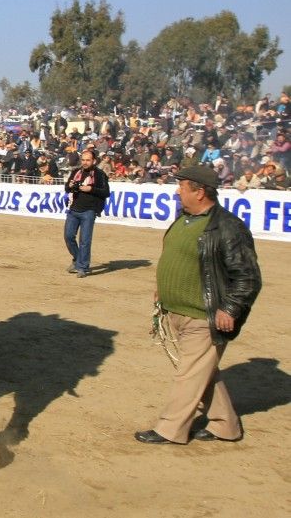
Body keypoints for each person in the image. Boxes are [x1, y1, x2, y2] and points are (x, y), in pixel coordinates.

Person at [135, 165, 261, 444]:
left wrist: (230, 308)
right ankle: (225, 425)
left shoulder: (227, 227)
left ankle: (170, 429)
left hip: (204, 316)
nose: (176, 192)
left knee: (189, 374)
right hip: (178, 312)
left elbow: (247, 276)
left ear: (200, 192)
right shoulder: (185, 219)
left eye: (181, 187)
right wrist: (162, 289)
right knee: (202, 370)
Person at [63, 149, 110, 278]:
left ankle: (83, 267)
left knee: (85, 241)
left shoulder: (100, 175)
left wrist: (91, 189)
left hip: (89, 211)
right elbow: (66, 188)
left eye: (88, 160)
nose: (85, 162)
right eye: (83, 160)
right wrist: (70, 185)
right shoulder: (76, 172)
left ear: (94, 161)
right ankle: (78, 260)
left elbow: (106, 192)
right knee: (68, 237)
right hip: (73, 209)